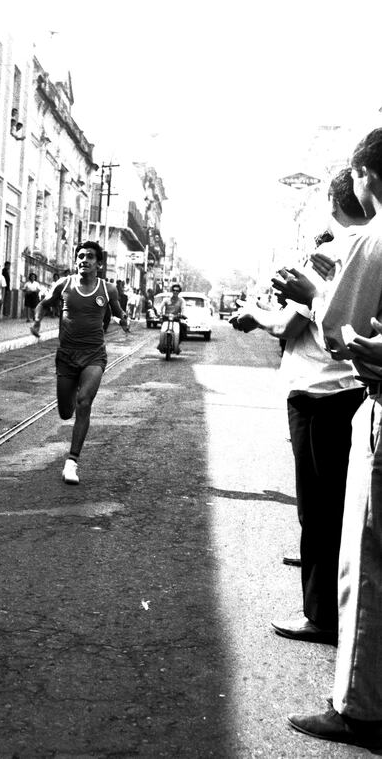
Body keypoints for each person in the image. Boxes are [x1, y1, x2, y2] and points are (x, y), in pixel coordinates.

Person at [232, 167, 368, 645]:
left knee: (319, 510)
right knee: (335, 508)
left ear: (332, 204)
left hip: (318, 396)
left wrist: (253, 314)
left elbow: (289, 325)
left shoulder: (335, 252)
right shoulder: (364, 247)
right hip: (349, 392)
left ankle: (321, 616)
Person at [278, 128, 382, 748]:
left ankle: (358, 707)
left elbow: (340, 325)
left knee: (365, 560)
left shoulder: (372, 240)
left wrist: (310, 293)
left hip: (366, 401)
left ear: (366, 175)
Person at [30, 240, 129, 485]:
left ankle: (72, 462)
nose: (84, 260)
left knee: (84, 403)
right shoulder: (64, 284)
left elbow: (117, 311)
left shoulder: (108, 289)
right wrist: (37, 321)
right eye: (81, 256)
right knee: (66, 412)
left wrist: (124, 320)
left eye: (90, 257)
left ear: (99, 263)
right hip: (66, 356)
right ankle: (72, 392)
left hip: (94, 355)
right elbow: (43, 304)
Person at [159, 284, 185, 354]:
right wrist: (160, 314)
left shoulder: (181, 300)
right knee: (163, 330)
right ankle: (161, 343)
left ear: (179, 292)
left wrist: (182, 314)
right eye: (174, 290)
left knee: (180, 331)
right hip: (166, 319)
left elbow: (183, 308)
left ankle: (177, 345)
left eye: (177, 290)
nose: (175, 292)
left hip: (176, 319)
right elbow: (161, 307)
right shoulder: (166, 300)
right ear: (172, 291)